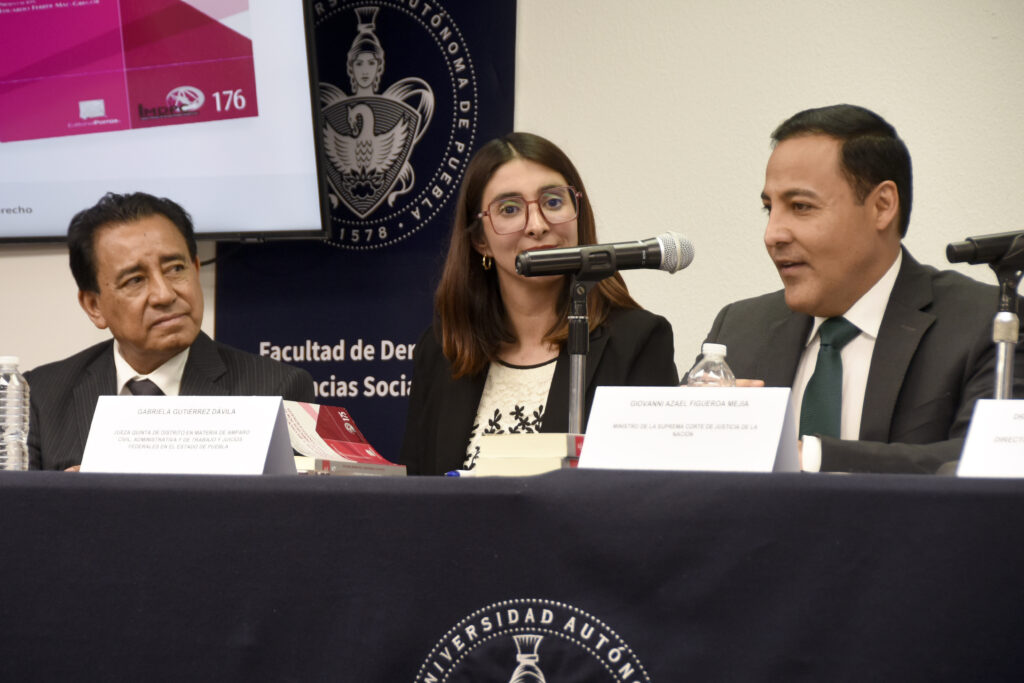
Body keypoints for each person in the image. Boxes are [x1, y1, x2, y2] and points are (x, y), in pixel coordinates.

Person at [694, 103, 1024, 474]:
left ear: (882, 206)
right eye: (769, 209)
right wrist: (687, 430)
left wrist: (810, 457)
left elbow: (990, 459)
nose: (773, 234)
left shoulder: (988, 323)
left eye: (800, 206)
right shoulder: (739, 329)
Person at [400, 132, 679, 475]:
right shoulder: (442, 349)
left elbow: (650, 489)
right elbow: (416, 489)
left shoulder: (638, 340)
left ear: (577, 214)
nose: (537, 226)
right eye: (510, 209)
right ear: (480, 240)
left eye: (553, 202)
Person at [26, 192, 315, 471]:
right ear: (93, 306)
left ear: (196, 268)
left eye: (176, 268)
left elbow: (290, 505)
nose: (164, 295)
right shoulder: (40, 395)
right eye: (135, 280)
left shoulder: (275, 391)